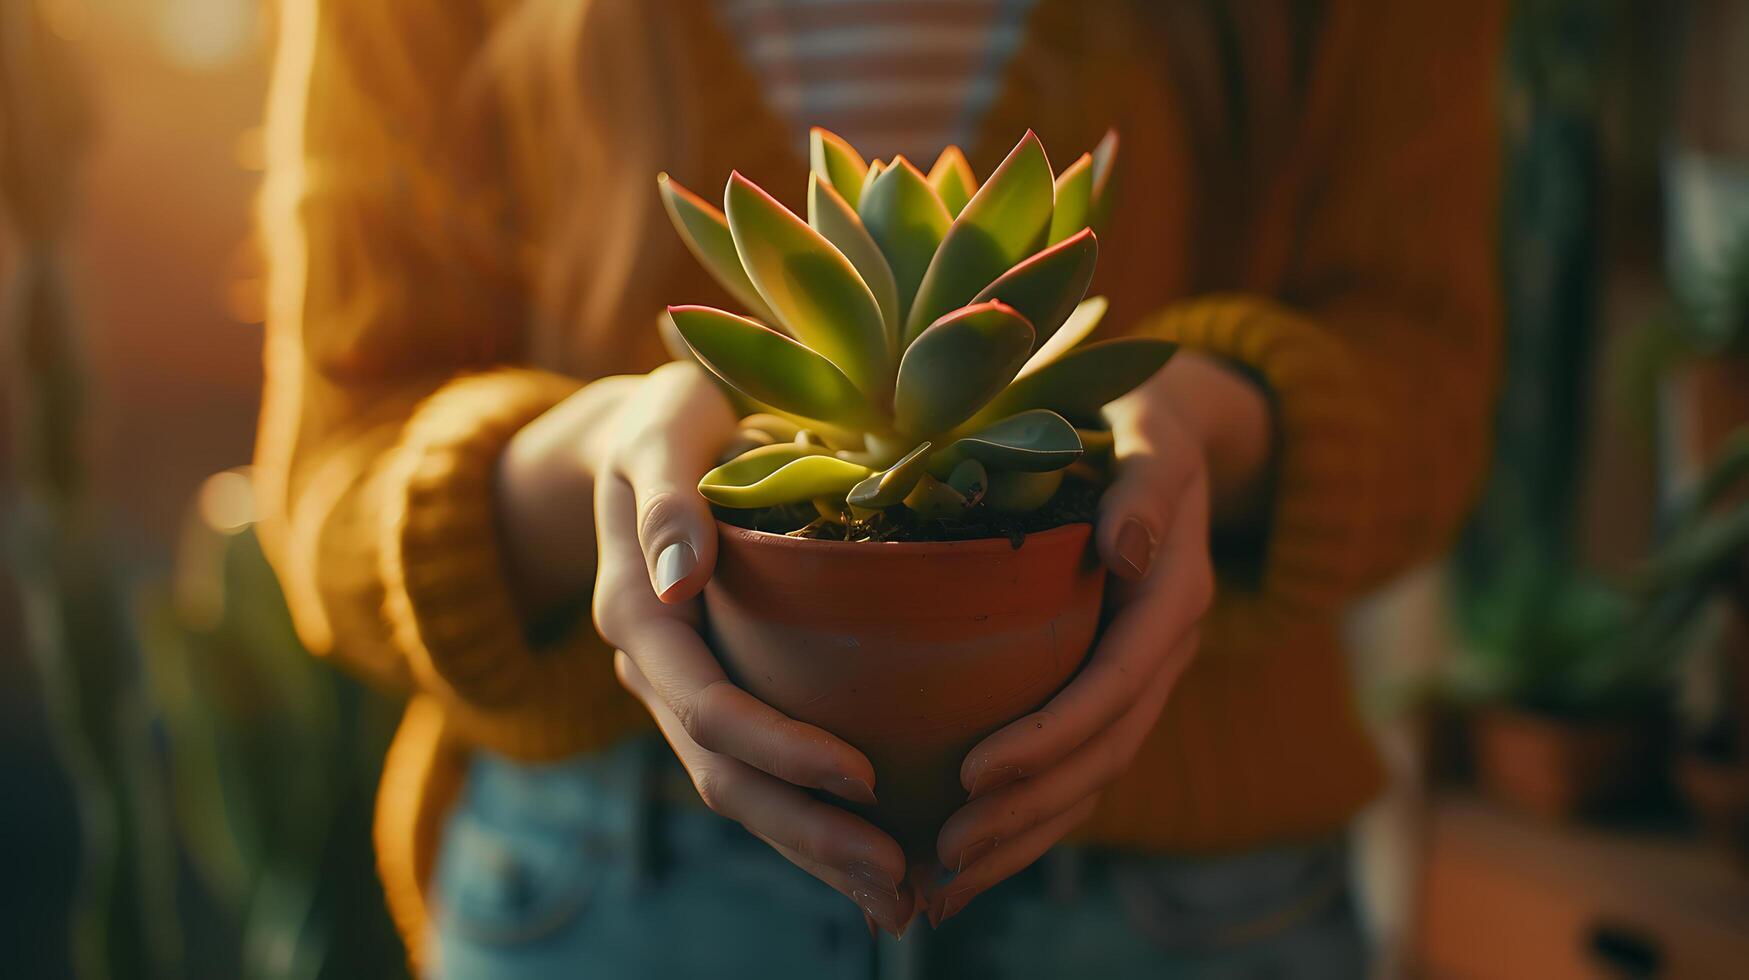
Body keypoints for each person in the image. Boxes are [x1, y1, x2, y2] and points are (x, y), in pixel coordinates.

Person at [254, 0, 1502, 976]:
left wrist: (1217, 427)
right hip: (616, 894)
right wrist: (589, 466)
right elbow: (335, 471)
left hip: (1187, 914)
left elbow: (1432, 387)